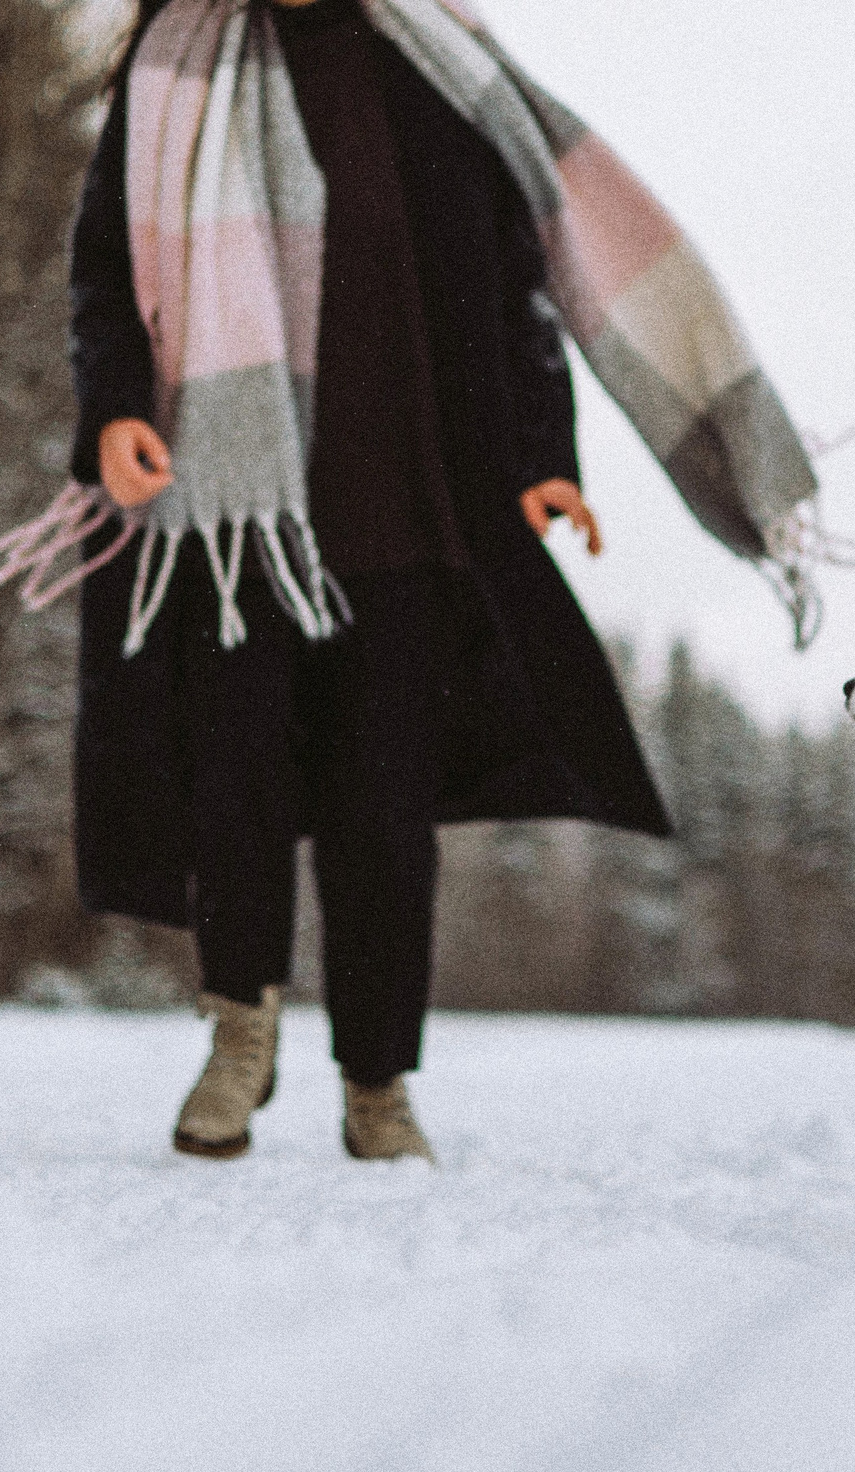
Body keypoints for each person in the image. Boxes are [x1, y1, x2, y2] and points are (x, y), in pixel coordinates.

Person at [58, 0, 704, 1160]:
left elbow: (515, 287)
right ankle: (239, 1034)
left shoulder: (435, 70)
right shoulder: (175, 69)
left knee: (385, 814)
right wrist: (111, 408)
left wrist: (543, 456)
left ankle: (377, 1083)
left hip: (407, 510)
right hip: (235, 511)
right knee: (236, 787)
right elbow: (106, 270)